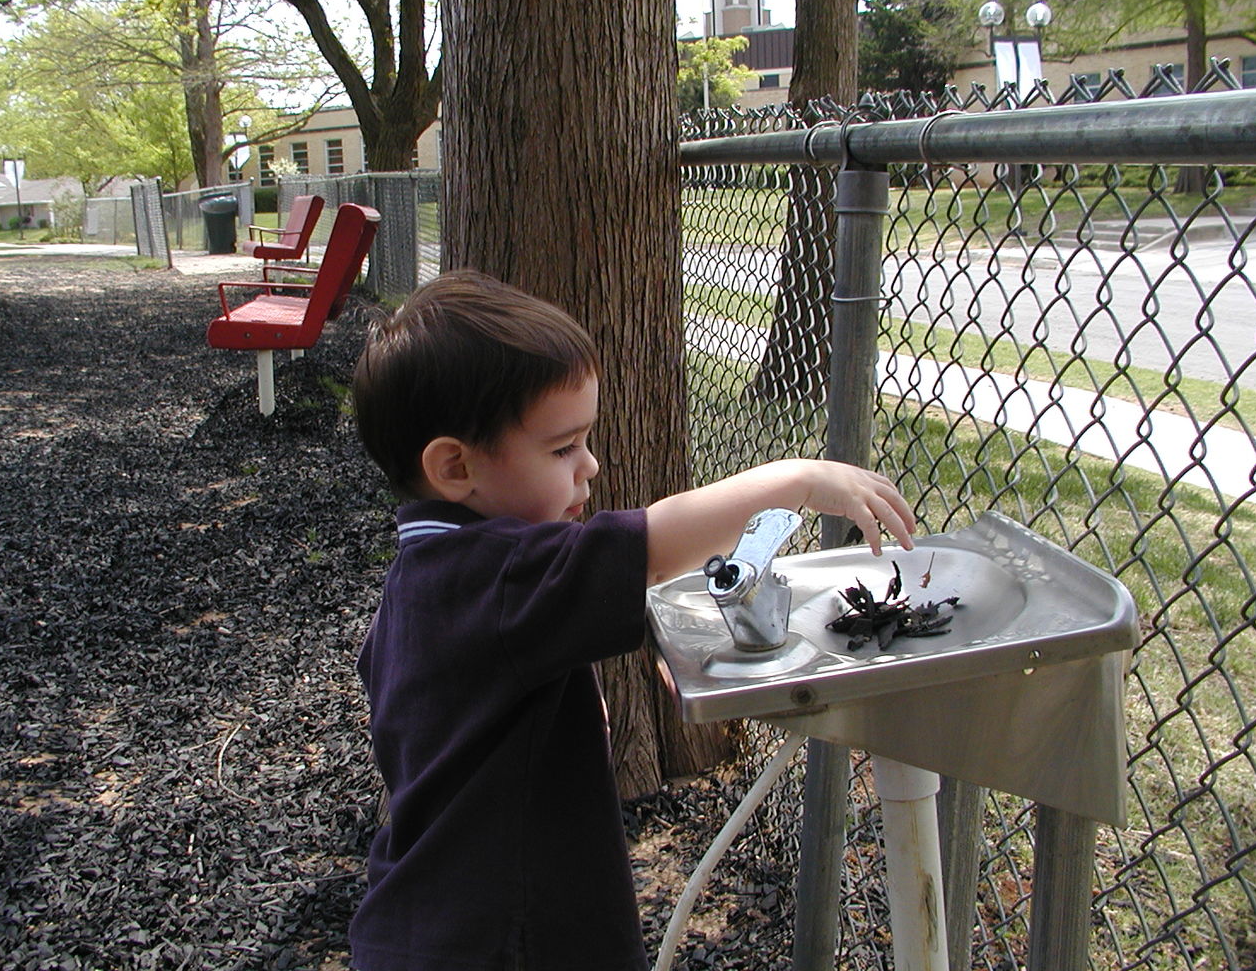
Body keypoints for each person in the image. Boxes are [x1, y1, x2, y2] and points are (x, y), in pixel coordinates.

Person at [349, 270, 917, 971]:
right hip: (503, 937)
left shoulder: (429, 579)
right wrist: (795, 481)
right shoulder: (497, 578)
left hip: (431, 912)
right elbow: (650, 544)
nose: (589, 466)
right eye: (562, 448)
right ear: (454, 467)